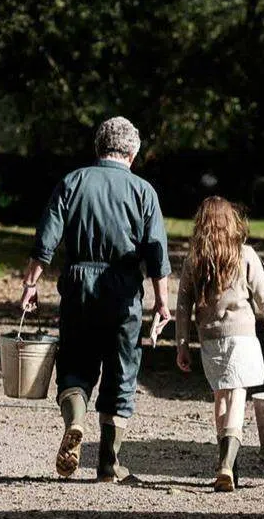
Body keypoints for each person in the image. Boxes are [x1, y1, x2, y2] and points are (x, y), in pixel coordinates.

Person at [20, 117, 171, 483]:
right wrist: (162, 302)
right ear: (132, 153)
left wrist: (30, 284)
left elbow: (46, 241)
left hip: (78, 285)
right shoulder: (143, 191)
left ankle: (75, 421)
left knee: (75, 363)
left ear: (98, 147)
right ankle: (108, 464)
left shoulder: (72, 182)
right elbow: (156, 253)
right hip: (122, 290)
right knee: (122, 373)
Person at [175, 197, 264, 492]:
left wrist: (181, 345)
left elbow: (182, 306)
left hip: (210, 339)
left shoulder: (194, 259)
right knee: (238, 397)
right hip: (242, 337)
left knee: (221, 399)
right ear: (232, 223)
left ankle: (227, 464)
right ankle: (227, 464)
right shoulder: (245, 254)